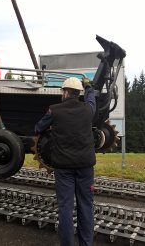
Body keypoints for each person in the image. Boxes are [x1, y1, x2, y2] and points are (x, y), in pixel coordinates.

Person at [35, 77, 96, 246]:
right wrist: (88, 86)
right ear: (78, 93)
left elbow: (38, 128)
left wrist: (53, 127)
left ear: (66, 92)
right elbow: (91, 99)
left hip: (64, 169)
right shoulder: (88, 110)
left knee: (66, 209)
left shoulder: (54, 110)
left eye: (63, 91)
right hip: (85, 168)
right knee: (86, 207)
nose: (62, 94)